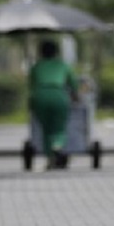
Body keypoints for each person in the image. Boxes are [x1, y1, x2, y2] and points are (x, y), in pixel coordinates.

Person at [28, 39, 78, 170]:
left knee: (46, 128)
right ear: (56, 52)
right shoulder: (62, 65)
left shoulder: (36, 67)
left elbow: (31, 85)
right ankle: (57, 145)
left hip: (40, 96)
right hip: (58, 95)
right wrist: (76, 96)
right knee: (59, 127)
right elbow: (73, 85)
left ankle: (50, 158)